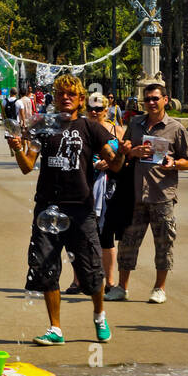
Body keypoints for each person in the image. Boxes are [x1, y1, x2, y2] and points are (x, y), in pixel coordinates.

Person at [7, 74, 124, 345]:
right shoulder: (44, 126)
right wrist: (16, 148)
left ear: (81, 99)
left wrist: (123, 153)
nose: (66, 97)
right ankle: (55, 329)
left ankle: (99, 315)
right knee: (47, 268)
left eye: (71, 94)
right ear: (55, 97)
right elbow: (27, 166)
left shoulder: (90, 128)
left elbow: (115, 164)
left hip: (81, 210)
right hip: (47, 207)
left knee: (92, 270)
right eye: (61, 93)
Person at [102, 83, 188, 304]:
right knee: (128, 242)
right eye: (148, 99)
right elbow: (126, 151)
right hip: (135, 194)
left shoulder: (176, 128)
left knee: (164, 243)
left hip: (162, 195)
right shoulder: (135, 123)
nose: (151, 103)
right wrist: (131, 150)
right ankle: (122, 287)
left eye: (155, 98)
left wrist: (173, 163)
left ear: (165, 100)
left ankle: (159, 288)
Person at [65, 92, 125, 295]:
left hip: (109, 189)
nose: (94, 111)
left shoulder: (117, 130)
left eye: (99, 109)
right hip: (82, 185)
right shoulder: (79, 128)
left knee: (106, 236)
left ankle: (109, 282)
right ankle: (77, 280)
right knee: (77, 235)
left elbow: (124, 157)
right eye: (91, 108)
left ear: (106, 110)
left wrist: (111, 162)